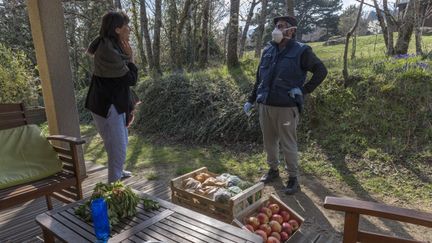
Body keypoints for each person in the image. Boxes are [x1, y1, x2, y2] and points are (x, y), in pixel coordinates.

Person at [243, 15, 327, 194]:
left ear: (292, 30)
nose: (277, 30)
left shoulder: (301, 51)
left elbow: (321, 71)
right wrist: (251, 99)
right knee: (269, 142)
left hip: (287, 107)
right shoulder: (268, 50)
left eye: (281, 26)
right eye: (276, 26)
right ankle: (273, 170)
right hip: (265, 105)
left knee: (288, 144)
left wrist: (303, 90)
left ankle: (293, 178)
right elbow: (260, 79)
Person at [85, 11, 139, 183]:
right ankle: (113, 188)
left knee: (117, 143)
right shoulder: (108, 51)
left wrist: (128, 57)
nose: (129, 29)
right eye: (126, 26)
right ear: (117, 29)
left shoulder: (113, 45)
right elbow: (130, 79)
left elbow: (123, 77)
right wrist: (131, 58)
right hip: (108, 104)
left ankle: (118, 171)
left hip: (112, 101)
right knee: (118, 147)